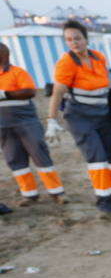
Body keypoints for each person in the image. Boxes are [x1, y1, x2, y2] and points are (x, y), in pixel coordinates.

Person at [46, 20, 111, 218]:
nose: (74, 43)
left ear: (86, 38)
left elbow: (104, 86)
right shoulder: (66, 62)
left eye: (77, 38)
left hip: (103, 115)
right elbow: (57, 92)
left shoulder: (99, 57)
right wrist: (51, 120)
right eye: (69, 39)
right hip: (80, 118)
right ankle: (105, 204)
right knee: (97, 158)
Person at [0, 44, 66, 205]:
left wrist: (4, 93)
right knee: (14, 158)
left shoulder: (18, 73)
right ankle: (29, 194)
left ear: (5, 56)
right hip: (4, 125)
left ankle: (57, 192)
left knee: (39, 153)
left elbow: (29, 92)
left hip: (26, 122)